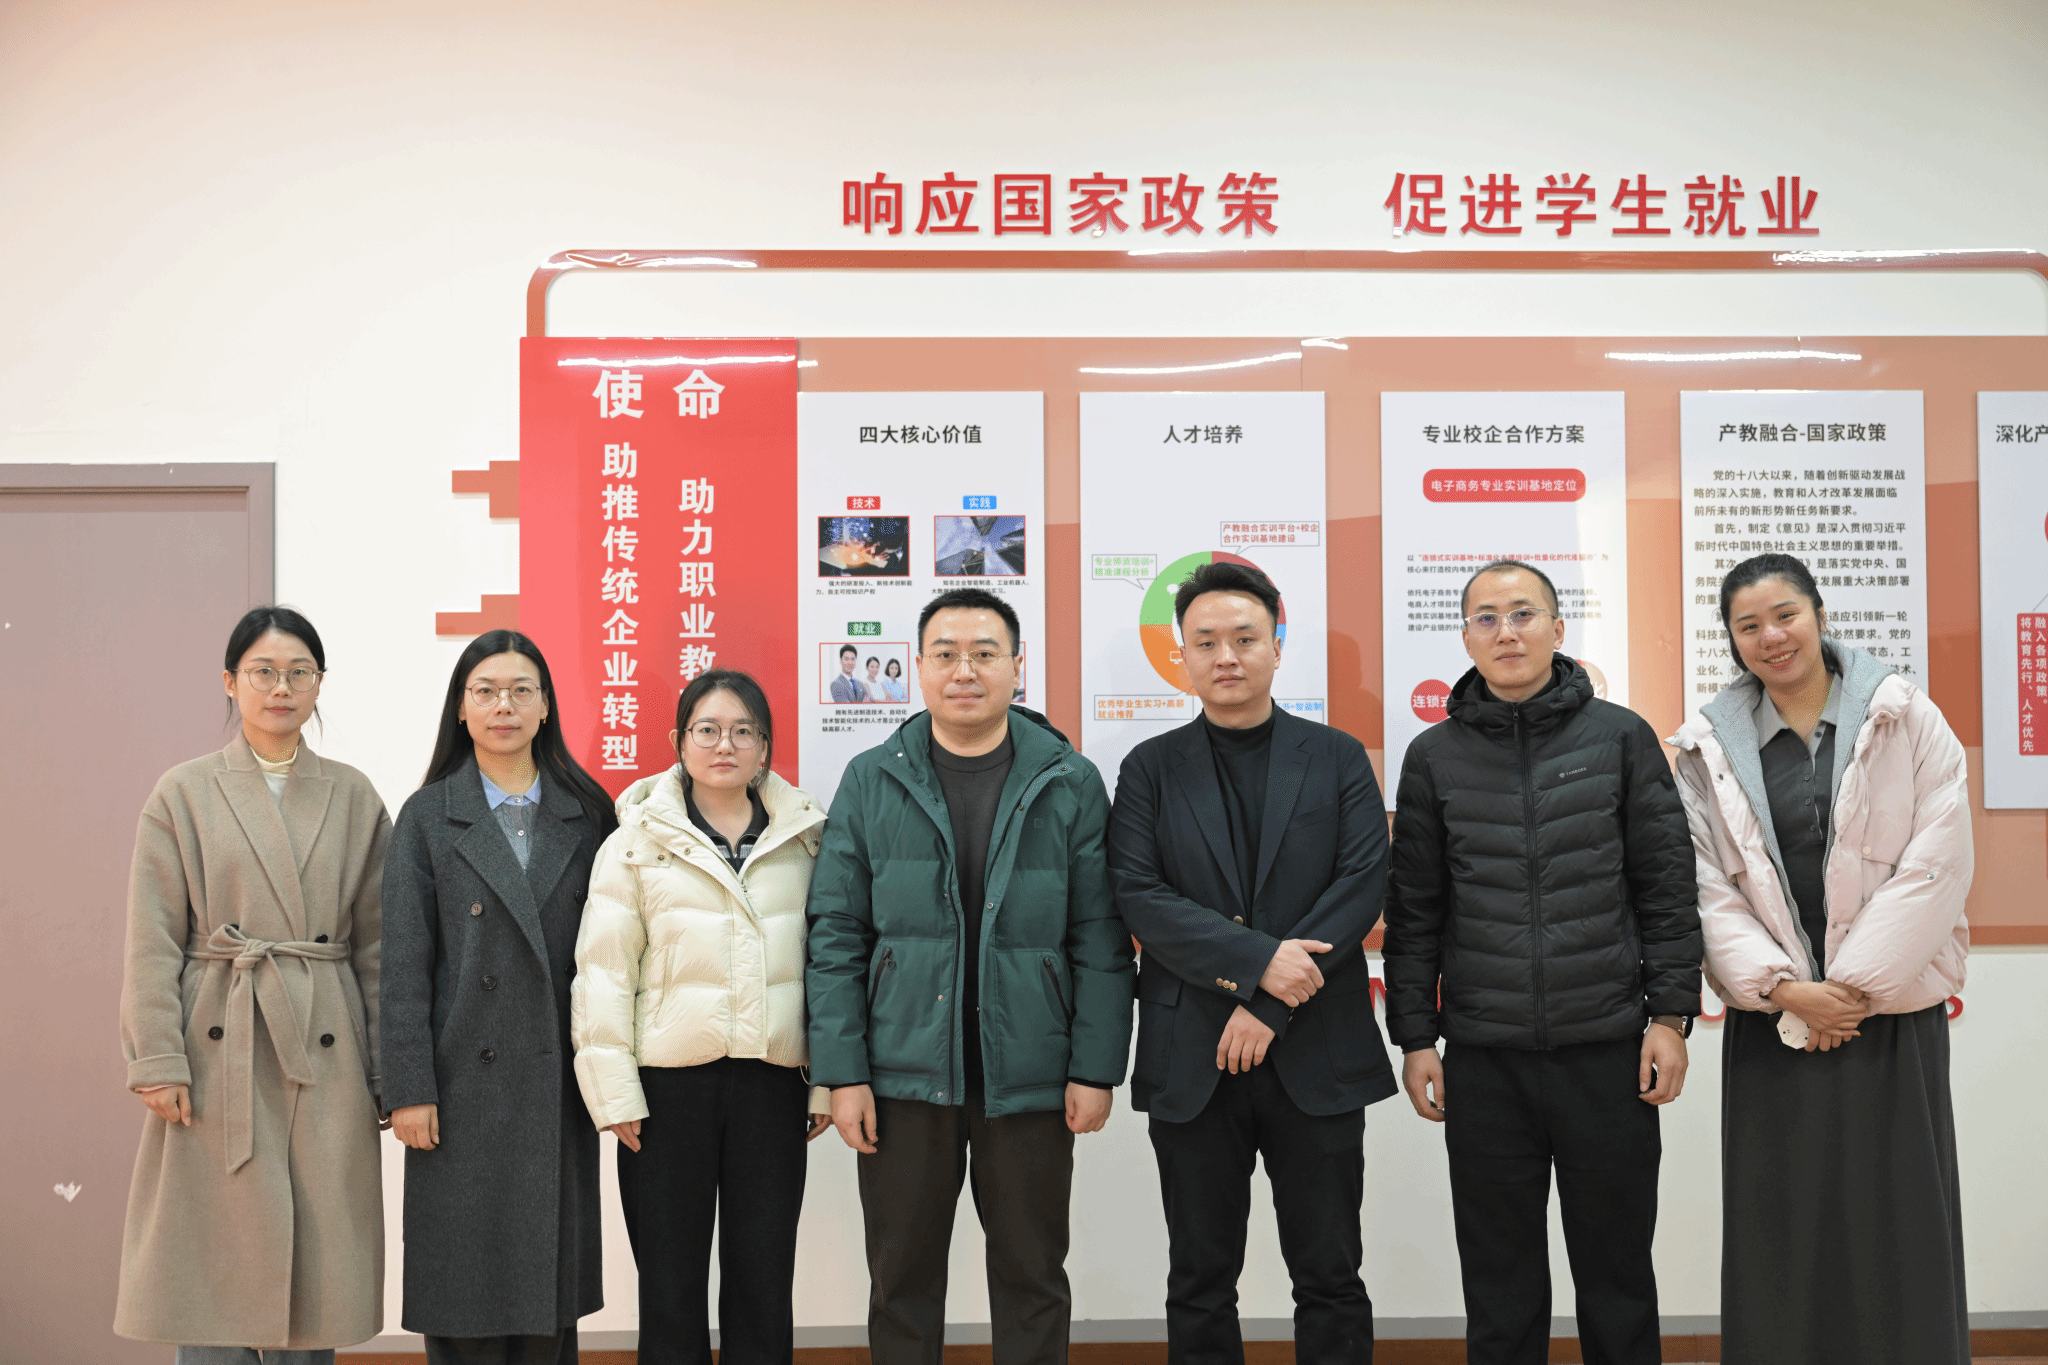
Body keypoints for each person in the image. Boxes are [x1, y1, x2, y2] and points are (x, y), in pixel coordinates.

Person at [1382, 559, 1699, 1365]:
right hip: (1485, 1059)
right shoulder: (1434, 755)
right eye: (1486, 618)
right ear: (1466, 638)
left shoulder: (1620, 737)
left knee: (1617, 1275)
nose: (1507, 631)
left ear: (1558, 629)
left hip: (1607, 1052)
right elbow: (1415, 910)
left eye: (1523, 613)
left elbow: (1665, 887)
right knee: (1500, 1285)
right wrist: (1415, 1036)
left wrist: (1670, 1016)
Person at [807, 586, 1136, 1365]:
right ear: (919, 667)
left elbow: (1099, 935)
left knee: (1032, 1276)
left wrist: (1095, 1067)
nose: (965, 670)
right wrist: (843, 1073)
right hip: (902, 1076)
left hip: (1028, 1075)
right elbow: (836, 935)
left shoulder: (1068, 780)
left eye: (985, 653)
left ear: (1018, 666)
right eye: (946, 654)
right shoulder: (871, 779)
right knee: (901, 1281)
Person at [1671, 553, 1971, 1365]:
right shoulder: (1705, 748)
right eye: (1748, 625)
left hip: (1890, 1014)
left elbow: (1937, 863)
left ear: (1819, 614)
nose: (1771, 636)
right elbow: (1705, 887)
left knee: (1898, 1216)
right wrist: (1787, 991)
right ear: (1732, 640)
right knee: (1781, 1224)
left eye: (1785, 615)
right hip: (1775, 1022)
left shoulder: (1906, 716)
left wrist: (1850, 990)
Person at [1107, 561, 1394, 1365]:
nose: (1226, 656)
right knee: (1200, 1276)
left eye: (1244, 637)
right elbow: (1139, 895)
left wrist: (1269, 1002)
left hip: (1316, 1049)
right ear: (1181, 654)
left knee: (1330, 1272)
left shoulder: (1336, 756)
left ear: (1276, 645)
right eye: (1206, 642)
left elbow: (1362, 882)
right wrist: (1260, 964)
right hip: (1192, 1052)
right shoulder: (1149, 767)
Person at [115, 606, 390, 1363]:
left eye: (299, 672)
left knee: (316, 1279)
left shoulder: (355, 796)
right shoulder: (183, 792)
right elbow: (152, 938)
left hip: (324, 1051)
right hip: (218, 1047)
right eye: (263, 671)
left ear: (319, 684)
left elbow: (379, 949)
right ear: (230, 681)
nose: (281, 687)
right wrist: (157, 1058)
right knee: (214, 1272)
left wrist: (384, 1073)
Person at [571, 670, 833, 1365]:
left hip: (772, 1086)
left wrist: (827, 1080)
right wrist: (613, 1094)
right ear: (678, 742)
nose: (726, 745)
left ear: (765, 746)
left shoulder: (806, 839)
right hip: (666, 1093)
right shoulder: (635, 841)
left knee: (763, 1283)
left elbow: (830, 971)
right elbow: (603, 974)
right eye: (708, 730)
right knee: (669, 1285)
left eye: (744, 731)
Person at [380, 630, 618, 1365]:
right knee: (465, 1298)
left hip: (555, 1088)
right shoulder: (427, 815)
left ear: (546, 706)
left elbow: (615, 961)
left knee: (546, 1314)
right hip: (458, 1089)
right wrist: (409, 1089)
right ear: (461, 708)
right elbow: (403, 965)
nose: (503, 706)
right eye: (484, 691)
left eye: (521, 690)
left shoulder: (588, 812)